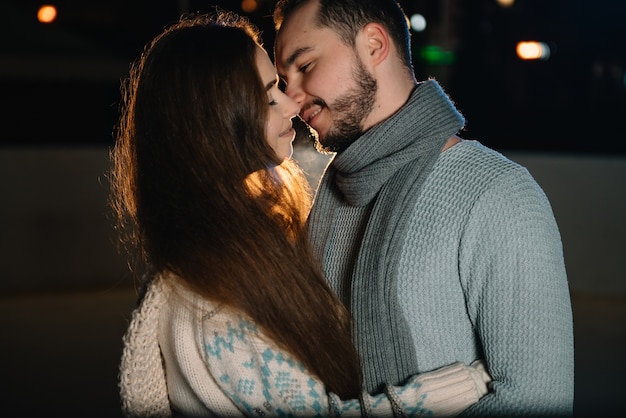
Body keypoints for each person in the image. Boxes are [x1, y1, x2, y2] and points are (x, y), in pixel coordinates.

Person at [109, 11, 492, 418]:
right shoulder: (210, 300)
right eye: (269, 93)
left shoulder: (247, 240)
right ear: (217, 120)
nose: (292, 103)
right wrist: (446, 392)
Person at [273, 0, 574, 416]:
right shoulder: (330, 196)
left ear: (375, 44)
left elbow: (537, 399)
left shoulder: (497, 193)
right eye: (283, 80)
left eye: (304, 66)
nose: (291, 98)